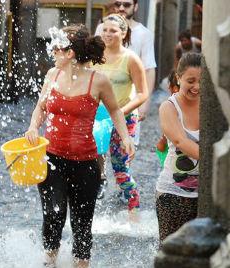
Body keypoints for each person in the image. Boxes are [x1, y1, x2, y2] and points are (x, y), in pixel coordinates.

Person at [25, 25, 135, 268]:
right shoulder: (52, 75)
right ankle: (49, 262)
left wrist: (125, 137)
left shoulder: (98, 81)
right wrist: (33, 127)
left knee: (81, 221)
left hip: (86, 163)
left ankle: (81, 264)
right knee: (53, 215)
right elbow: (41, 107)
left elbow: (115, 110)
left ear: (70, 53)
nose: (52, 50)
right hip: (51, 159)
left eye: (57, 47)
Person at [93, 14, 148, 209]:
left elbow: (142, 93)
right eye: (105, 30)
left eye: (113, 30)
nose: (107, 34)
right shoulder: (94, 56)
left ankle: (134, 208)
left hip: (123, 118)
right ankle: (97, 188)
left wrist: (118, 112)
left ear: (123, 33)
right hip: (96, 118)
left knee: (120, 168)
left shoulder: (131, 59)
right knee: (90, 161)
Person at [156, 52, 202, 244]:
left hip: (206, 194)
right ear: (178, 78)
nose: (197, 86)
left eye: (202, 80)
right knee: (171, 255)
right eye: (191, 80)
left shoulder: (212, 105)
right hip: (173, 195)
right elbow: (180, 141)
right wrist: (218, 162)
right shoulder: (168, 107)